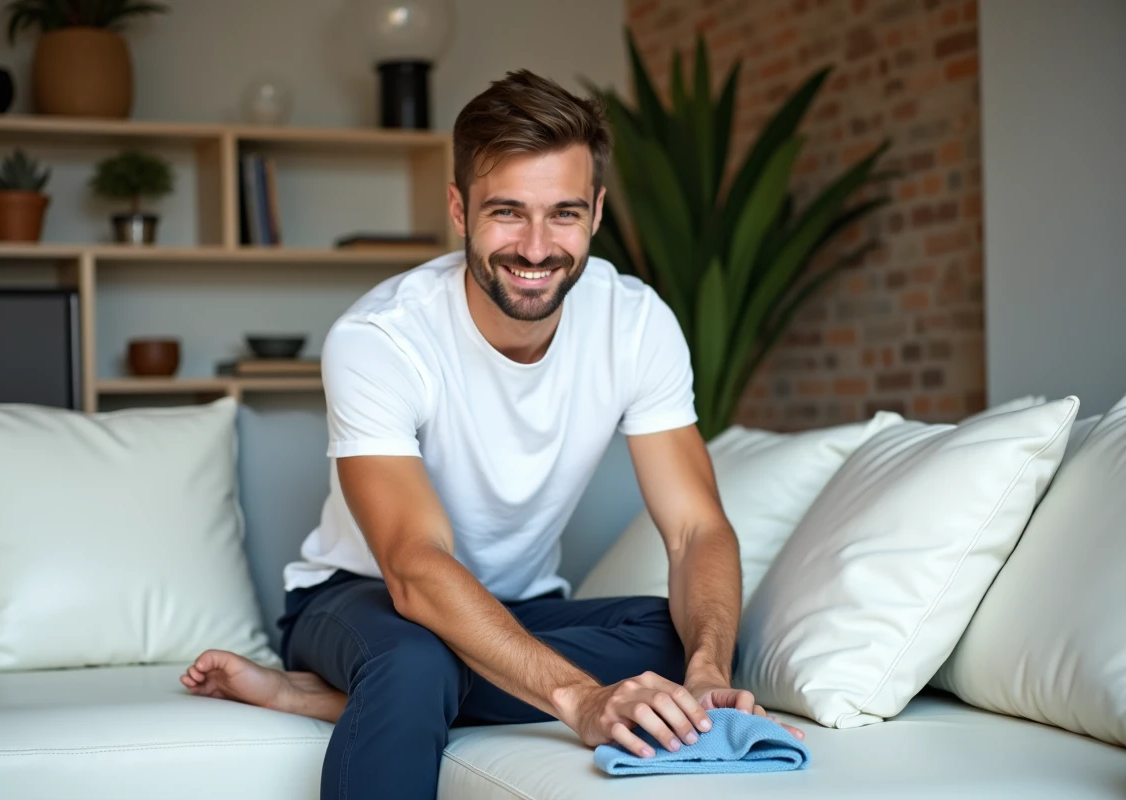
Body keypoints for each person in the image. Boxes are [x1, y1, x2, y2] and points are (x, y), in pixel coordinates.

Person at [180, 68, 803, 799]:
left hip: (521, 605)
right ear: (458, 207)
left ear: (597, 212)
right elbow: (413, 564)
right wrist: (581, 697)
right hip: (363, 598)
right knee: (413, 656)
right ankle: (387, 682)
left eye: (564, 214)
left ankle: (326, 697)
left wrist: (704, 677)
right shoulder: (381, 337)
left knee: (682, 633)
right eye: (508, 212)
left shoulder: (636, 322)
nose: (537, 248)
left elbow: (697, 530)